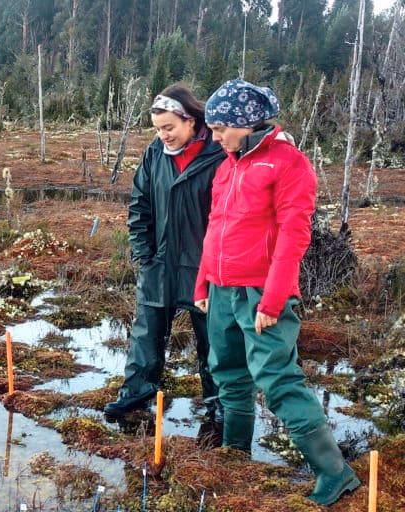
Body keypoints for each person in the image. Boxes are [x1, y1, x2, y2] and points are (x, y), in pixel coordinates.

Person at [193, 79, 361, 506]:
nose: (214, 137)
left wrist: (274, 298)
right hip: (221, 290)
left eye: (219, 129)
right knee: (228, 372)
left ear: (246, 124)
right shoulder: (228, 164)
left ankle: (335, 473)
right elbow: (215, 226)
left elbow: (294, 235)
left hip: (262, 294)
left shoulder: (289, 163)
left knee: (279, 380)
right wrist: (203, 281)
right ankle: (236, 454)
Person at [104, 84, 225, 427]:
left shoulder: (218, 154)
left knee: (213, 341)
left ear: (190, 120)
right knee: (146, 333)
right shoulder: (154, 153)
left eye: (169, 128)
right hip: (158, 262)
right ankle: (137, 394)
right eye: (157, 129)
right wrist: (144, 253)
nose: (163, 136)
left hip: (203, 268)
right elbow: (140, 205)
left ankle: (219, 405)